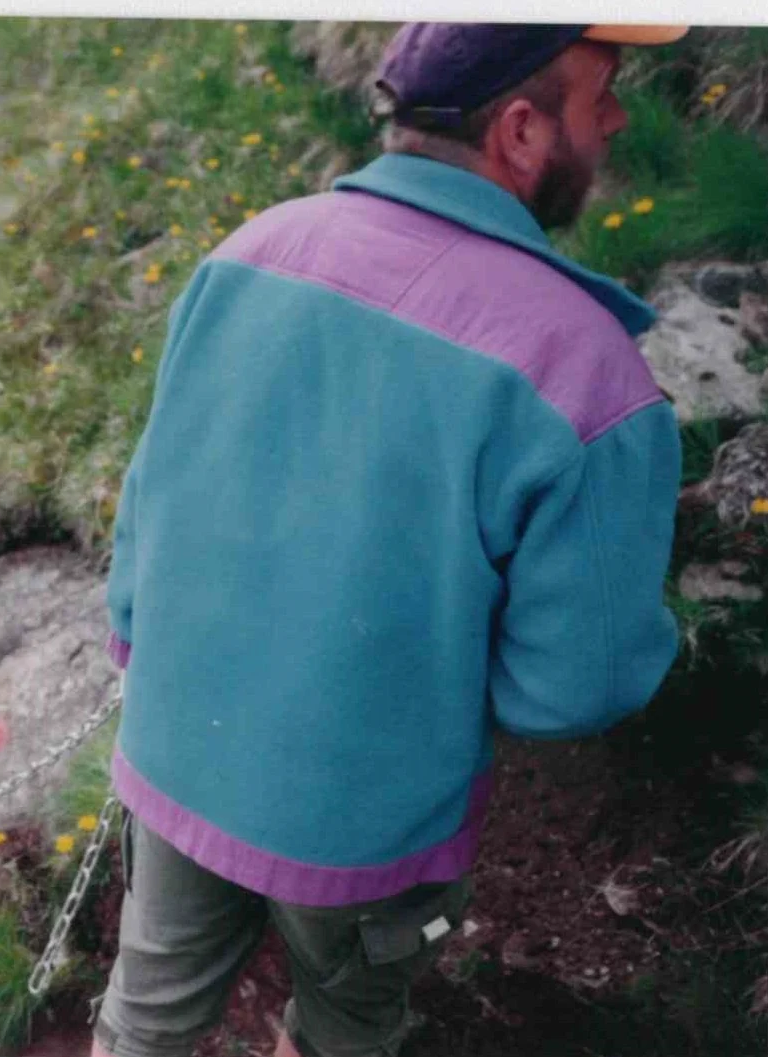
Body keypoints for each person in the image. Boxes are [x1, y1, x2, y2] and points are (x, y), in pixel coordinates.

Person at [92, 23, 689, 1057]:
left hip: (178, 752)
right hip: (365, 825)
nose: (619, 118)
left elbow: (145, 516)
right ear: (519, 129)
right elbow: (575, 687)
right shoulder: (587, 378)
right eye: (601, 98)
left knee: (144, 1015)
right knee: (343, 1026)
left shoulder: (249, 252)